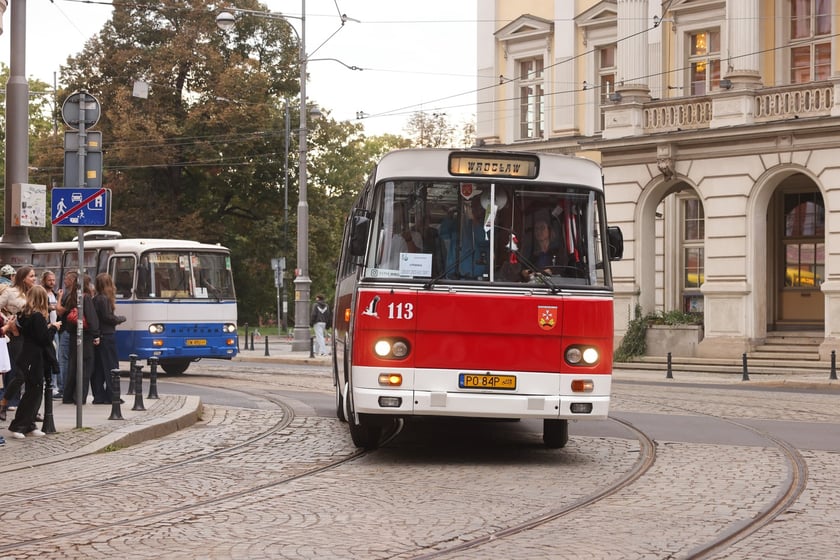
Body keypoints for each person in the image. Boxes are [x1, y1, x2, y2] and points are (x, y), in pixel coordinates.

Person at [4, 285, 60, 439]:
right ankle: (19, 425)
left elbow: (33, 334)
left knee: (33, 392)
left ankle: (29, 425)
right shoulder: (37, 317)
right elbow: (44, 339)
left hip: (28, 357)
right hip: (33, 358)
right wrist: (53, 328)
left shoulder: (25, 315)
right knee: (33, 393)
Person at [0, 266, 37, 420]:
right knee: (20, 374)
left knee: (31, 376)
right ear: (23, 278)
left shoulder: (33, 292)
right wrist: (7, 320)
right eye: (31, 276)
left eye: (34, 276)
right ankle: (4, 403)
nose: (34, 279)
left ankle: (29, 409)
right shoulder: (10, 291)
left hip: (31, 335)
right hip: (17, 335)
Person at [62, 274, 101, 405]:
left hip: (73, 336)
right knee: (85, 368)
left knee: (73, 367)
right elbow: (91, 318)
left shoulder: (70, 297)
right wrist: (96, 334)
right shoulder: (86, 298)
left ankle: (68, 396)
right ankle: (80, 397)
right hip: (85, 336)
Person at [91, 273, 126, 404]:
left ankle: (99, 395)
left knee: (99, 368)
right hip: (107, 336)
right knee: (111, 366)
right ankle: (112, 395)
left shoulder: (96, 299)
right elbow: (107, 318)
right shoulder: (104, 299)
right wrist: (120, 319)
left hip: (100, 336)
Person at [519, 217, 567, 282]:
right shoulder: (529, 250)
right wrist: (524, 272)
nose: (539, 231)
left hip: (554, 285)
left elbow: (564, 269)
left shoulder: (558, 250)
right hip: (533, 285)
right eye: (536, 229)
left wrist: (551, 271)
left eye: (542, 228)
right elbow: (523, 268)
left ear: (549, 231)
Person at [55, 271, 76, 400]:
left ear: (73, 281)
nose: (65, 281)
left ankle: (62, 388)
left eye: (67, 279)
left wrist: (59, 298)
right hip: (70, 331)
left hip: (66, 330)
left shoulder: (70, 295)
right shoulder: (74, 294)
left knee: (63, 359)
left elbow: (60, 310)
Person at [40, 270, 62, 398]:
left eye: (54, 280)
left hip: (55, 329)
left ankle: (52, 385)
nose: (52, 283)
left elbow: (58, 311)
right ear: (44, 280)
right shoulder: (42, 293)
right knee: (49, 357)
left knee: (55, 357)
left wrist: (58, 298)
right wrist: (52, 307)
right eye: (50, 280)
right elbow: (43, 307)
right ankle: (49, 385)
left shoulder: (53, 293)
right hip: (47, 328)